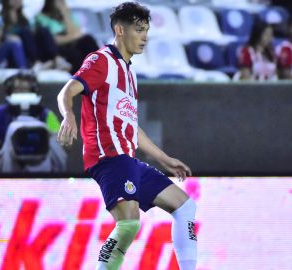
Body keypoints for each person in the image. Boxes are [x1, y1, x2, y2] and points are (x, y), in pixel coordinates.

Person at [56, 2, 197, 269]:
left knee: (185, 207)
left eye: (146, 30)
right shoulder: (101, 61)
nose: (144, 37)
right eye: (139, 30)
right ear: (120, 30)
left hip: (127, 158)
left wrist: (164, 159)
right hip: (108, 157)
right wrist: (69, 115)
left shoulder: (129, 72)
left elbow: (131, 125)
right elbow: (66, 92)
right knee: (129, 223)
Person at [0, 71, 66, 172]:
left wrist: (52, 138)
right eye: (18, 90)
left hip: (41, 165)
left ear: (34, 91)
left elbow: (66, 142)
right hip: (7, 166)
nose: (22, 94)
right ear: (10, 91)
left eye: (26, 90)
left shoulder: (45, 114)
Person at [0, 0, 71, 71]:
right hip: (13, 50)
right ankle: (36, 63)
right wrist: (10, 36)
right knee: (25, 32)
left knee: (43, 30)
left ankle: (57, 59)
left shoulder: (23, 18)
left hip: (27, 47)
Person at [35, 0, 100, 74]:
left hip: (72, 43)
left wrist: (65, 13)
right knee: (75, 54)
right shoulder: (42, 17)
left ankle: (100, 67)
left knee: (88, 40)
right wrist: (74, 36)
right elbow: (53, 41)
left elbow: (77, 34)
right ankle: (81, 79)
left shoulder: (68, 15)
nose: (61, 2)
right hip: (57, 49)